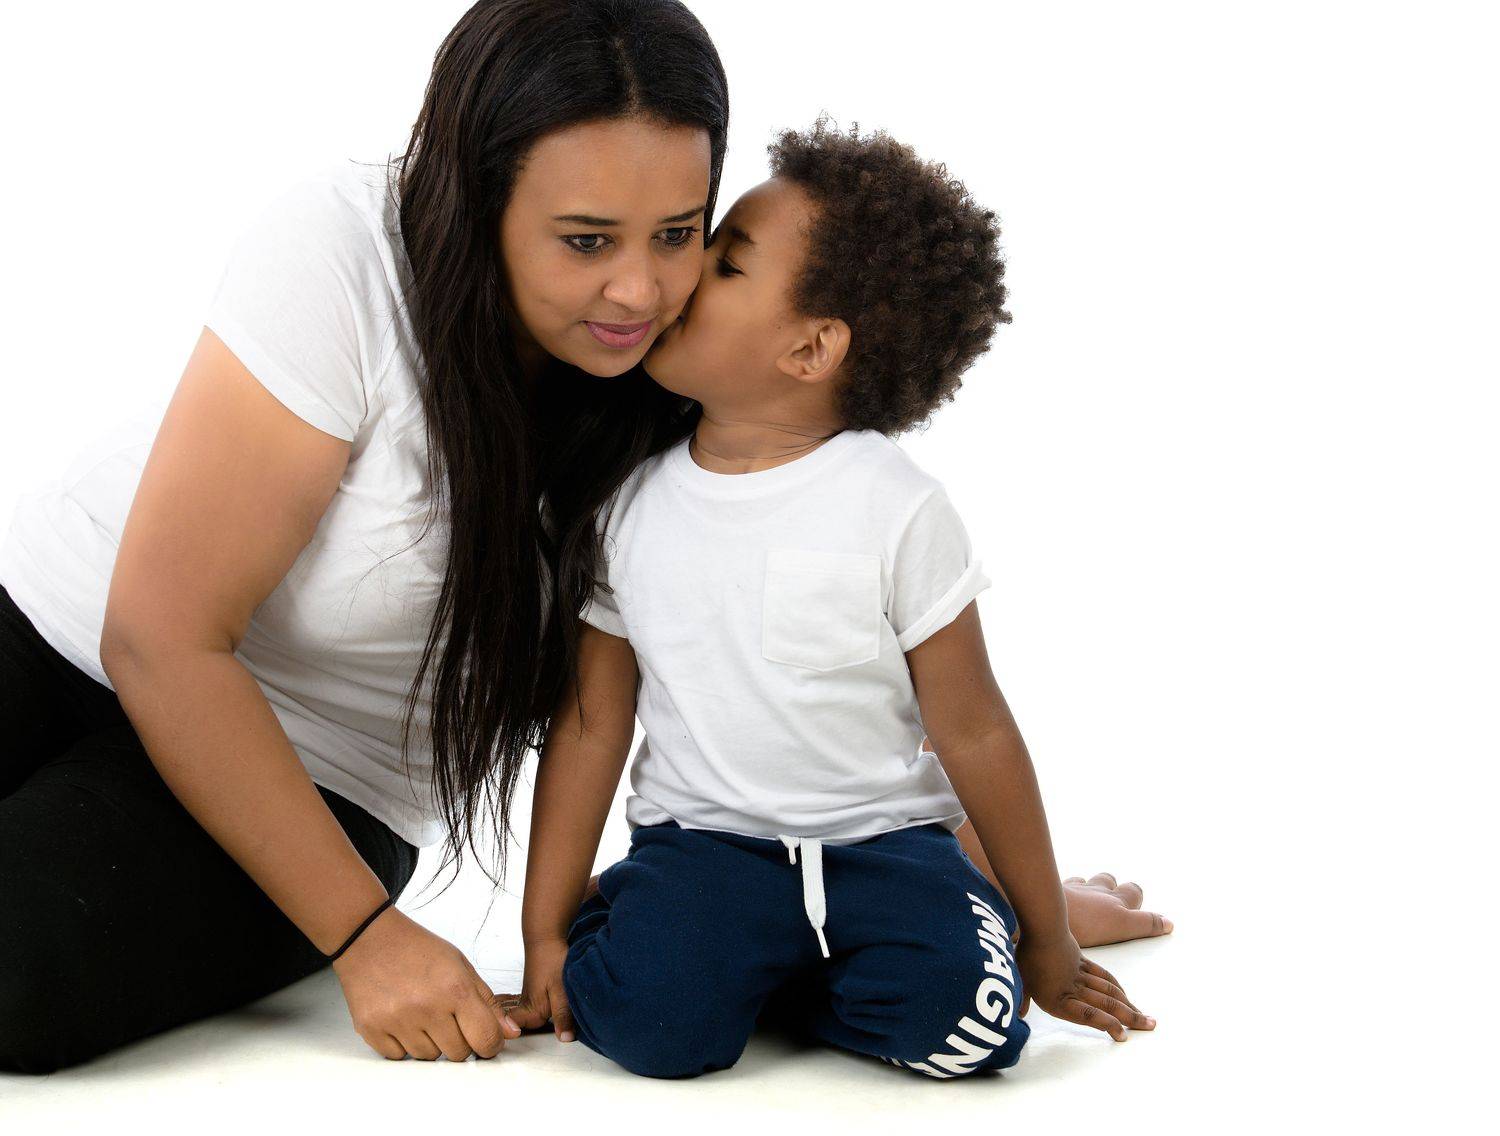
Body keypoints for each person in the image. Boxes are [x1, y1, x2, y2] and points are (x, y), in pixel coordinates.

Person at [0, 1, 1163, 1075]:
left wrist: (1004, 898)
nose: (642, 290)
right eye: (587, 239)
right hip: (65, 631)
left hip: (322, 777)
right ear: (478, 200)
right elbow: (161, 634)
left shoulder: (698, 391)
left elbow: (823, 690)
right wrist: (369, 941)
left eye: (680, 232)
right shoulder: (345, 250)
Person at [508, 119, 1158, 1080]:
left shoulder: (896, 508)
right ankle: (675, 930)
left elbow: (975, 729)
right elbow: (592, 722)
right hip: (706, 853)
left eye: (725, 264)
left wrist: (1049, 936)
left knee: (974, 1030)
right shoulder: (628, 508)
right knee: (648, 1030)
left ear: (811, 348)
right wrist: (544, 936)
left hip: (885, 852)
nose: (679, 281)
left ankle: (846, 959)